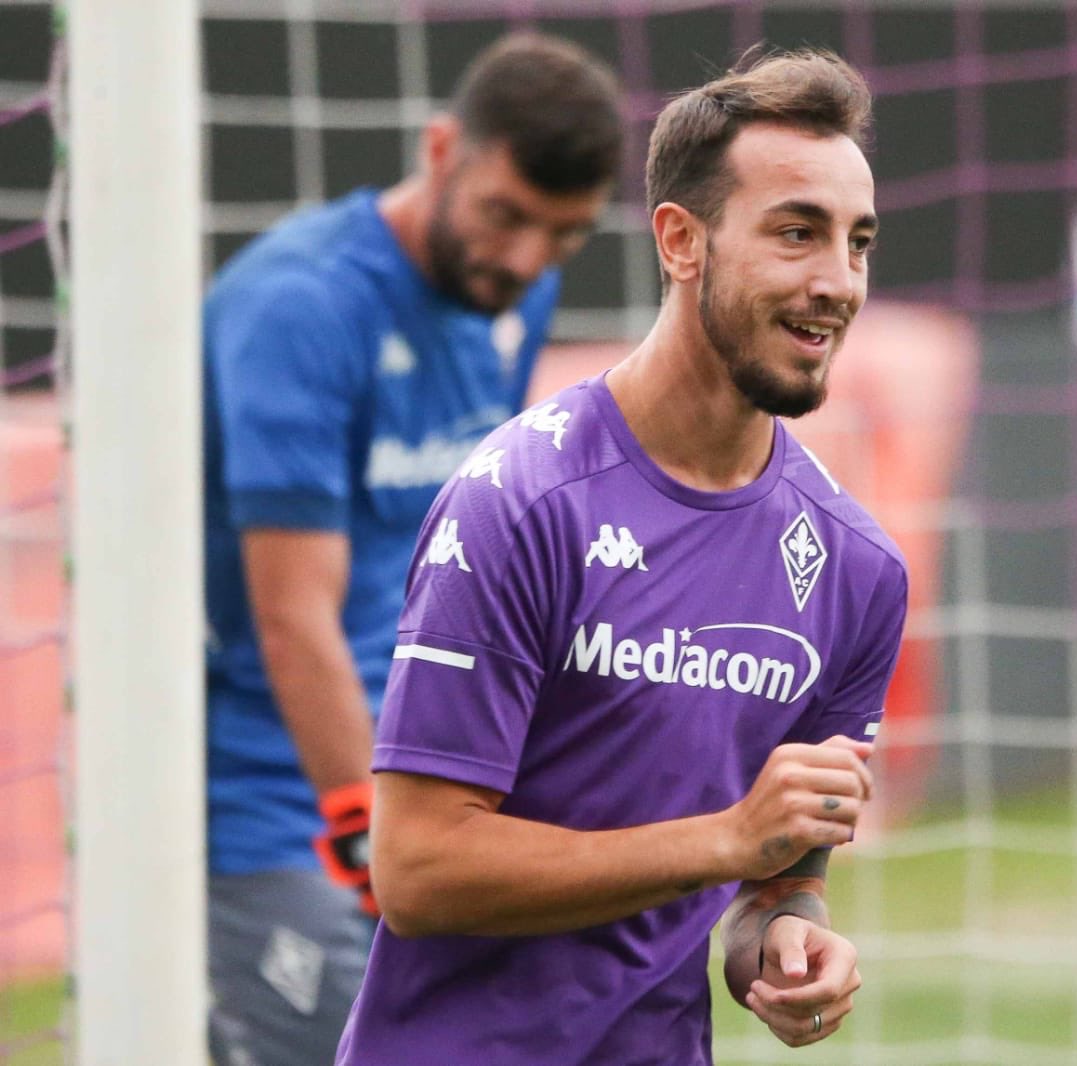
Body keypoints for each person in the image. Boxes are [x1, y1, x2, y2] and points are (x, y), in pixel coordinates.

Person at [335, 49, 905, 1065]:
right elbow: (416, 870)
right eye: (796, 233)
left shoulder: (857, 570)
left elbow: (776, 878)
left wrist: (785, 940)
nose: (836, 283)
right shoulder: (521, 500)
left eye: (855, 242)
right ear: (682, 241)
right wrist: (726, 838)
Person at [202, 32, 623, 1066]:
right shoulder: (300, 307)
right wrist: (378, 843)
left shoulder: (511, 293)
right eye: (505, 215)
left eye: (563, 235)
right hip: (267, 798)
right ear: (440, 150)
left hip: (431, 778)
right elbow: (294, 618)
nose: (524, 259)